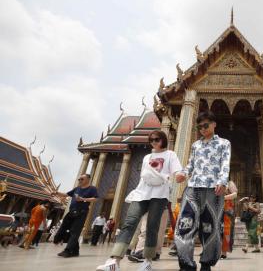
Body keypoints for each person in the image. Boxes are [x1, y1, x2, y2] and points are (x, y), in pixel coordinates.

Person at [96, 130, 183, 271]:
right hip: (142, 193)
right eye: (151, 140)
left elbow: (177, 171)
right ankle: (114, 261)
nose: (153, 142)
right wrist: (135, 192)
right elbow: (144, 176)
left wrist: (179, 175)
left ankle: (147, 261)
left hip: (160, 194)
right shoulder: (147, 157)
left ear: (163, 140)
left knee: (152, 227)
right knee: (129, 223)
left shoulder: (170, 155)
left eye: (156, 139)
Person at [175, 111, 231, 271]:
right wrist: (183, 174)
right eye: (199, 127)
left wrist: (222, 181)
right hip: (193, 187)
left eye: (206, 125)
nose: (203, 129)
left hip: (213, 189)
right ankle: (186, 263)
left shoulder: (223, 143)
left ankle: (206, 263)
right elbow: (190, 165)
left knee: (210, 226)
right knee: (185, 223)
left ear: (214, 124)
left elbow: (225, 164)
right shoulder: (195, 145)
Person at [52, 174, 98, 257]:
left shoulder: (92, 189)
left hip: (81, 212)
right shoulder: (77, 189)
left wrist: (83, 199)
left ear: (88, 179)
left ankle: (68, 250)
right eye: (79, 179)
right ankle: (75, 250)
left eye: (82, 179)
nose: (80, 180)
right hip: (72, 211)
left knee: (74, 231)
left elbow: (95, 199)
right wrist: (56, 193)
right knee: (64, 226)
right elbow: (66, 194)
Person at [221, 181, 238, 259]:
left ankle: (223, 252)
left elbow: (235, 195)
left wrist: (223, 198)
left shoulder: (229, 183)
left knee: (226, 231)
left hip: (226, 210)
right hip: (215, 208)